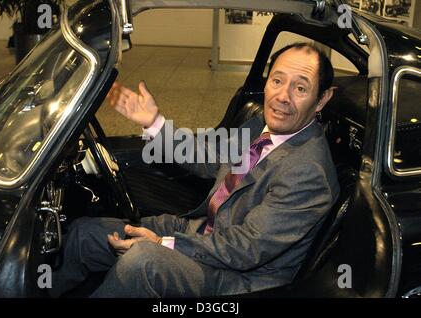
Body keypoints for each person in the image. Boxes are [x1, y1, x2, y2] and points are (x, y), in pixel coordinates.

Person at [50, 42, 340, 297]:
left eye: (300, 88)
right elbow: (207, 155)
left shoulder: (308, 171)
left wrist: (163, 244)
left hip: (243, 277)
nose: (282, 96)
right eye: (277, 81)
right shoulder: (259, 125)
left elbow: (246, 248)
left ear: (323, 99)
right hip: (202, 231)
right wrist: (154, 123)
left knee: (141, 262)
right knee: (84, 233)